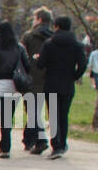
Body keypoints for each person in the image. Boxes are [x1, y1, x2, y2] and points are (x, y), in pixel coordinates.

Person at [37, 16, 87, 159]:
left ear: (56, 26)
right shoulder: (77, 45)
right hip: (67, 84)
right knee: (63, 115)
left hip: (51, 83)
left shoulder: (49, 44)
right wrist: (74, 76)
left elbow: (40, 64)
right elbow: (83, 65)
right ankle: (63, 143)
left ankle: (56, 145)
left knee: (53, 115)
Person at [0, 21, 25, 158]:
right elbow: (27, 65)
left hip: (1, 84)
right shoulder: (19, 48)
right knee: (9, 115)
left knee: (4, 117)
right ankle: (5, 144)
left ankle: (5, 146)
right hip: (15, 85)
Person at [21, 7, 54, 154]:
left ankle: (40, 140)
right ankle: (28, 139)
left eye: (35, 18)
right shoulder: (54, 37)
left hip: (33, 78)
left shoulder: (29, 36)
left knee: (33, 112)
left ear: (39, 19)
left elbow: (22, 56)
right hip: (49, 79)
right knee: (37, 112)